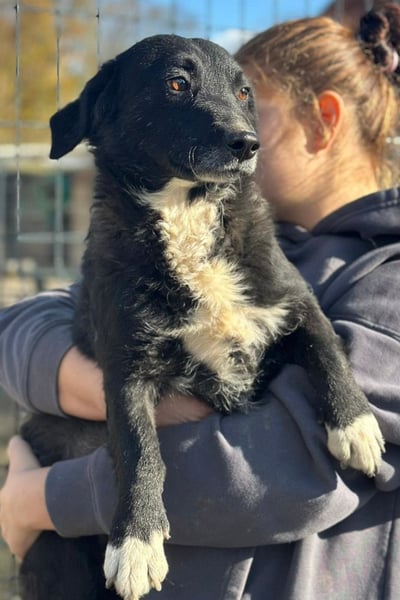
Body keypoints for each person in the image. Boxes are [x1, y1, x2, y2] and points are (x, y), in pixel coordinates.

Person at [1, 3, 400, 598]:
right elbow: (21, 325)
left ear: (323, 122)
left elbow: (298, 475)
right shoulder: (198, 237)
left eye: (248, 100)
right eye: (183, 87)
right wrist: (82, 381)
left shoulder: (383, 278)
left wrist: (43, 499)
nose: (240, 128)